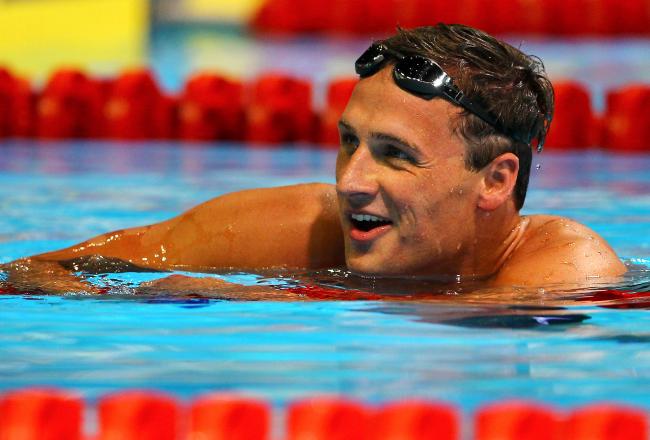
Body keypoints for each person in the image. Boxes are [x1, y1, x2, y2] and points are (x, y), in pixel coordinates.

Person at [1, 24, 626, 295]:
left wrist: (256, 301)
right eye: (349, 141)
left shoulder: (569, 266)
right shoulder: (300, 227)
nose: (350, 182)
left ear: (495, 179)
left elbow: (487, 313)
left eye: (396, 156)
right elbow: (36, 271)